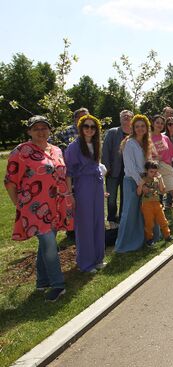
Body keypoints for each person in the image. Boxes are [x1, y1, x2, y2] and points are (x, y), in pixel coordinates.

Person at [4, 116, 74, 302]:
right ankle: (58, 285)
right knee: (50, 245)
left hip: (55, 205)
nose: (41, 131)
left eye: (44, 128)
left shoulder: (57, 150)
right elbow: (10, 181)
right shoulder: (21, 151)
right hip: (34, 208)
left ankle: (42, 281)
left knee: (46, 244)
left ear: (50, 130)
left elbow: (63, 174)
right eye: (36, 128)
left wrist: (68, 195)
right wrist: (18, 203)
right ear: (29, 132)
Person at [64, 114, 106, 273]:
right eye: (86, 126)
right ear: (80, 128)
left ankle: (98, 258)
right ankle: (86, 262)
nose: (89, 129)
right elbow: (68, 173)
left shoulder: (96, 145)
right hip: (83, 187)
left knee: (98, 220)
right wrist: (70, 194)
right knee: (85, 224)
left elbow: (98, 165)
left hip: (97, 185)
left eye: (93, 127)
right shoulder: (74, 147)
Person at [115, 114, 154, 252]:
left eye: (142, 126)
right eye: (137, 126)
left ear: (146, 127)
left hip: (144, 180)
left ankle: (143, 238)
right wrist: (140, 184)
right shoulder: (129, 143)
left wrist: (149, 180)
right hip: (132, 182)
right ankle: (124, 244)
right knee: (130, 213)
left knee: (144, 211)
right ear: (133, 128)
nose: (140, 128)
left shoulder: (146, 143)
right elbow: (130, 168)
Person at [102, 110, 133, 229]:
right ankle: (111, 219)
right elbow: (105, 151)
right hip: (113, 171)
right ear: (120, 119)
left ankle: (121, 219)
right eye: (123, 116)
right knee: (111, 198)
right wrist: (106, 168)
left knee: (125, 197)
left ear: (132, 119)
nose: (126, 117)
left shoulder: (134, 133)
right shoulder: (113, 132)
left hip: (128, 172)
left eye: (128, 116)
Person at [137, 161, 173, 246]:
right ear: (146, 171)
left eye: (155, 172)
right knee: (149, 223)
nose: (153, 174)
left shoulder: (157, 179)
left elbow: (163, 190)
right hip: (146, 205)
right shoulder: (144, 180)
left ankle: (167, 236)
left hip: (157, 203)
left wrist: (160, 179)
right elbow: (138, 193)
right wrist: (141, 185)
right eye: (151, 172)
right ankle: (149, 239)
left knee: (163, 220)